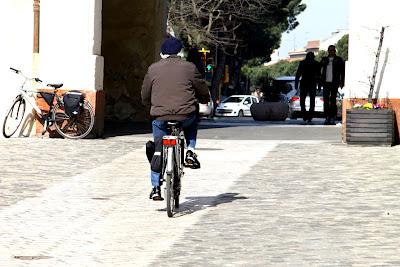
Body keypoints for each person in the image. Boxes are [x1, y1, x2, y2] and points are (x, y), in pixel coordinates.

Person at [141, 36, 210, 201]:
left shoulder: (153, 69)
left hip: (160, 117)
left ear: (162, 53)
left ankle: (156, 187)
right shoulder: (189, 67)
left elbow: (145, 94)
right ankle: (190, 151)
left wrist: (149, 106)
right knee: (192, 123)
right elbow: (201, 89)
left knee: (158, 148)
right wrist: (204, 99)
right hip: (185, 115)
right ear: (180, 52)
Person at [320, 45, 345, 125]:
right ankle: (327, 117)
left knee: (333, 100)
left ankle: (332, 117)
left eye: (333, 50)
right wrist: (320, 81)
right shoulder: (324, 60)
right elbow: (319, 69)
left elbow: (342, 71)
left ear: (335, 51)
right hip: (326, 83)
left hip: (334, 82)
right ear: (328, 51)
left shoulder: (339, 60)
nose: (331, 52)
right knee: (326, 100)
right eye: (330, 50)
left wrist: (342, 81)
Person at [295, 52, 320, 124]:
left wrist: (296, 84)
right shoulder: (316, 63)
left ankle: (305, 115)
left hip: (304, 83)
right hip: (312, 83)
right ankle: (309, 116)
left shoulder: (302, 63)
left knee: (302, 100)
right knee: (312, 100)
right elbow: (319, 76)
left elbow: (298, 74)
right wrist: (319, 85)